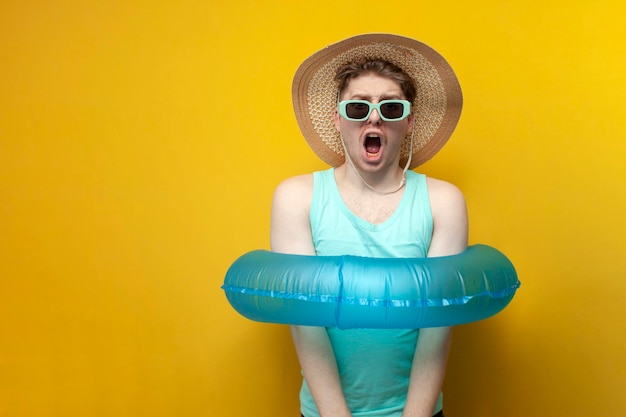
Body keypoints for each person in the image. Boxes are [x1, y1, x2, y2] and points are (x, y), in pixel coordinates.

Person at [270, 34, 467, 417]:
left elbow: (437, 328)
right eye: (358, 107)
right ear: (338, 119)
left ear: (408, 121)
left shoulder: (444, 202)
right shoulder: (296, 198)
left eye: (390, 108)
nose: (374, 117)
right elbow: (305, 323)